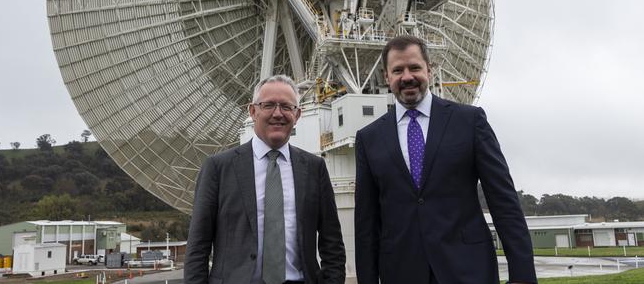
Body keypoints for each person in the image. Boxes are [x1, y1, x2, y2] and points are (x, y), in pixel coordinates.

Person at [354, 35, 537, 284]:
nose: (407, 76)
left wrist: (523, 275)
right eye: (398, 70)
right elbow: (367, 224)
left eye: (415, 67)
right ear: (386, 77)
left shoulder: (470, 122)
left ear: (429, 70)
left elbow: (503, 202)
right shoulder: (369, 139)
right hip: (401, 272)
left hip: (469, 270)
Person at [185, 75, 346, 284]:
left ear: (297, 115)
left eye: (286, 107)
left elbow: (332, 244)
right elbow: (198, 246)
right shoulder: (218, 168)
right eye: (268, 105)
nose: (277, 113)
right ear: (253, 111)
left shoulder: (314, 168)